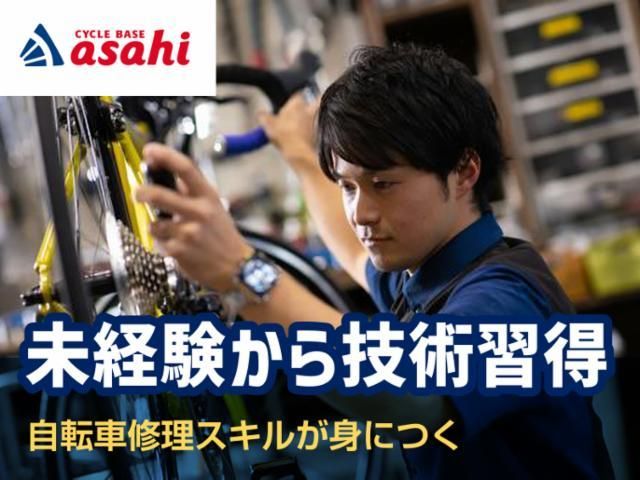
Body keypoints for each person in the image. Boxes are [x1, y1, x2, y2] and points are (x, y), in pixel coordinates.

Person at [135, 44, 613, 479]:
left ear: (464, 170)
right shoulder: (424, 274)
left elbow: (415, 394)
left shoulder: (507, 302)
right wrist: (299, 153)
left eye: (383, 184)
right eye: (348, 186)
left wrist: (242, 272)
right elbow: (350, 245)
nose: (360, 213)